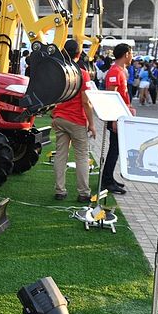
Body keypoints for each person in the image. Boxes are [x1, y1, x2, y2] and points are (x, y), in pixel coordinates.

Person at [51, 40, 96, 202]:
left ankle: (60, 190)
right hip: (76, 119)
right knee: (82, 156)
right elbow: (86, 101)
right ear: (78, 54)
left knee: (60, 155)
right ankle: (84, 193)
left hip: (59, 117)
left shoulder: (59, 71)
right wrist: (92, 123)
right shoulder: (82, 73)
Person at [100, 43, 136, 194]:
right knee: (114, 149)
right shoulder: (115, 71)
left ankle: (109, 178)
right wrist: (114, 119)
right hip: (117, 117)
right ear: (126, 54)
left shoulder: (121, 70)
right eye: (131, 53)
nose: (132, 56)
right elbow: (111, 97)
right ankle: (107, 181)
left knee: (116, 149)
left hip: (121, 115)